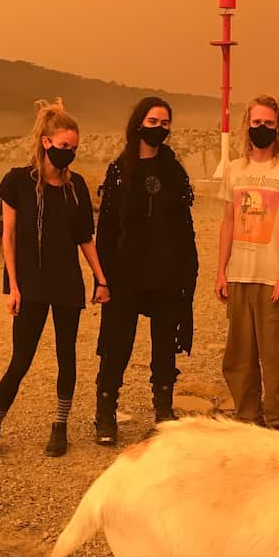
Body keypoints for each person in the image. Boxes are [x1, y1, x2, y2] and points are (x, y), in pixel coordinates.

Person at [0, 99, 109, 459]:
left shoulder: (76, 186)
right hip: (31, 284)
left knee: (67, 358)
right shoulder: (18, 182)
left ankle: (60, 425)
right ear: (47, 142)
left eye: (74, 148)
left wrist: (101, 279)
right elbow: (9, 237)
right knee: (21, 359)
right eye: (64, 146)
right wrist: (13, 287)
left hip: (66, 282)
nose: (69, 153)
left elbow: (84, 237)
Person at [92, 97, 198, 444]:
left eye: (165, 123)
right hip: (125, 274)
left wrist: (187, 272)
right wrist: (101, 278)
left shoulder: (174, 172)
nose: (160, 128)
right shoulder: (119, 171)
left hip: (166, 272)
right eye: (153, 121)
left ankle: (163, 412)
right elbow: (106, 229)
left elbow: (184, 224)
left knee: (165, 343)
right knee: (116, 344)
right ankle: (105, 414)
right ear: (139, 123)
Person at [215, 95, 279, 431]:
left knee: (274, 360)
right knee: (239, 358)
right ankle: (247, 420)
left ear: (278, 126)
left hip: (274, 280)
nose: (262, 129)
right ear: (247, 125)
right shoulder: (234, 170)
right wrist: (220, 271)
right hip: (240, 276)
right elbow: (228, 221)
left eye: (268, 123)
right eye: (256, 123)